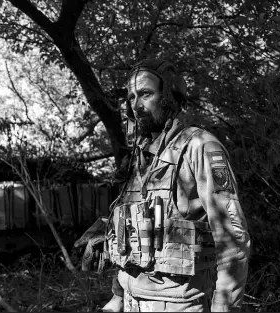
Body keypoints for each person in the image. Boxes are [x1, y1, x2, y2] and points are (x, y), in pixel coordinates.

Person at [88, 58, 250, 312]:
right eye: (131, 97)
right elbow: (131, 236)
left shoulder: (199, 147)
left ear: (168, 97)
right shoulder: (138, 157)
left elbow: (233, 239)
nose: (136, 105)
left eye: (145, 94)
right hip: (133, 304)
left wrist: (224, 308)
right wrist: (118, 296)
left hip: (182, 304)